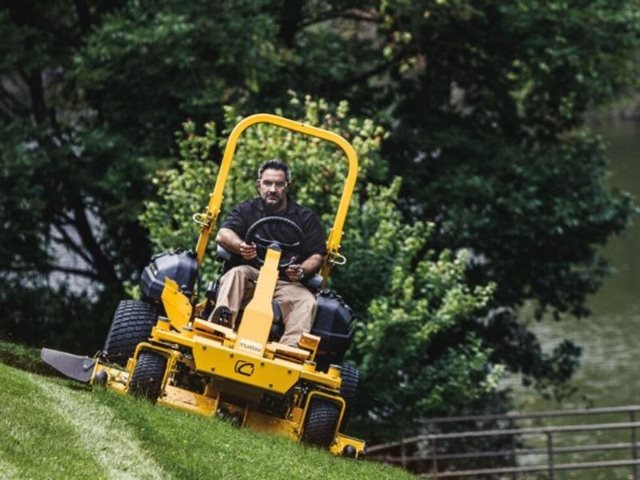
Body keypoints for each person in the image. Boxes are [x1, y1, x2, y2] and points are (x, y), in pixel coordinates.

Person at [210, 159, 326, 347]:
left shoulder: (305, 218)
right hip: (252, 274)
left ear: (287, 186)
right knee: (235, 274)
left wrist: (302, 270)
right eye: (268, 183)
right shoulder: (248, 209)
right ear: (259, 185)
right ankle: (221, 326)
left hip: (285, 282)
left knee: (306, 300)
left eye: (279, 184)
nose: (273, 189)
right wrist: (241, 247)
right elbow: (223, 234)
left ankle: (290, 348)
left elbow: (317, 255)